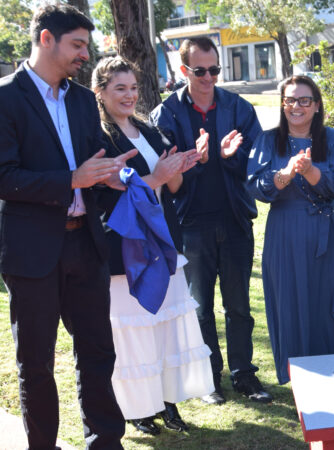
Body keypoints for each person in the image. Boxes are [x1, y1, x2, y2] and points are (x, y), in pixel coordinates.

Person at [0, 5, 134, 448]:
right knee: (37, 363)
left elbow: (94, 167)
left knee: (98, 352)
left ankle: (105, 440)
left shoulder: (84, 100)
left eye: (86, 45)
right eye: (77, 45)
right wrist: (71, 179)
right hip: (30, 252)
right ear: (46, 39)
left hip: (85, 245)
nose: (85, 54)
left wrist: (114, 179)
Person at [92, 56, 215, 435]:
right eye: (120, 89)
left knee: (163, 328)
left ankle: (167, 402)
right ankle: (137, 410)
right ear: (100, 93)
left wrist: (180, 169)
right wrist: (157, 176)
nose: (129, 96)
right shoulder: (97, 138)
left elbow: (172, 188)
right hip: (126, 247)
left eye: (133, 88)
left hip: (163, 242)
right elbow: (110, 194)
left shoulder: (148, 130)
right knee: (135, 332)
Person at [151, 37, 271, 404]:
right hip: (190, 224)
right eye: (200, 70)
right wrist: (199, 162)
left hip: (234, 220)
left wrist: (227, 158)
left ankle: (244, 375)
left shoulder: (238, 108)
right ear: (184, 70)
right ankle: (208, 378)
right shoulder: (167, 114)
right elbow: (166, 175)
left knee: (238, 306)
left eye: (214, 69)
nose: (208, 77)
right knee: (199, 307)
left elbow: (255, 163)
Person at [246, 76, 334, 384]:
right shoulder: (268, 140)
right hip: (286, 233)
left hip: (327, 232)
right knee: (291, 303)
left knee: (330, 304)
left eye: (304, 100)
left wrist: (310, 171)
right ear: (282, 104)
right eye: (290, 100)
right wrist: (284, 174)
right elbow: (257, 186)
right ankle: (303, 382)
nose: (296, 106)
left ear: (317, 105)